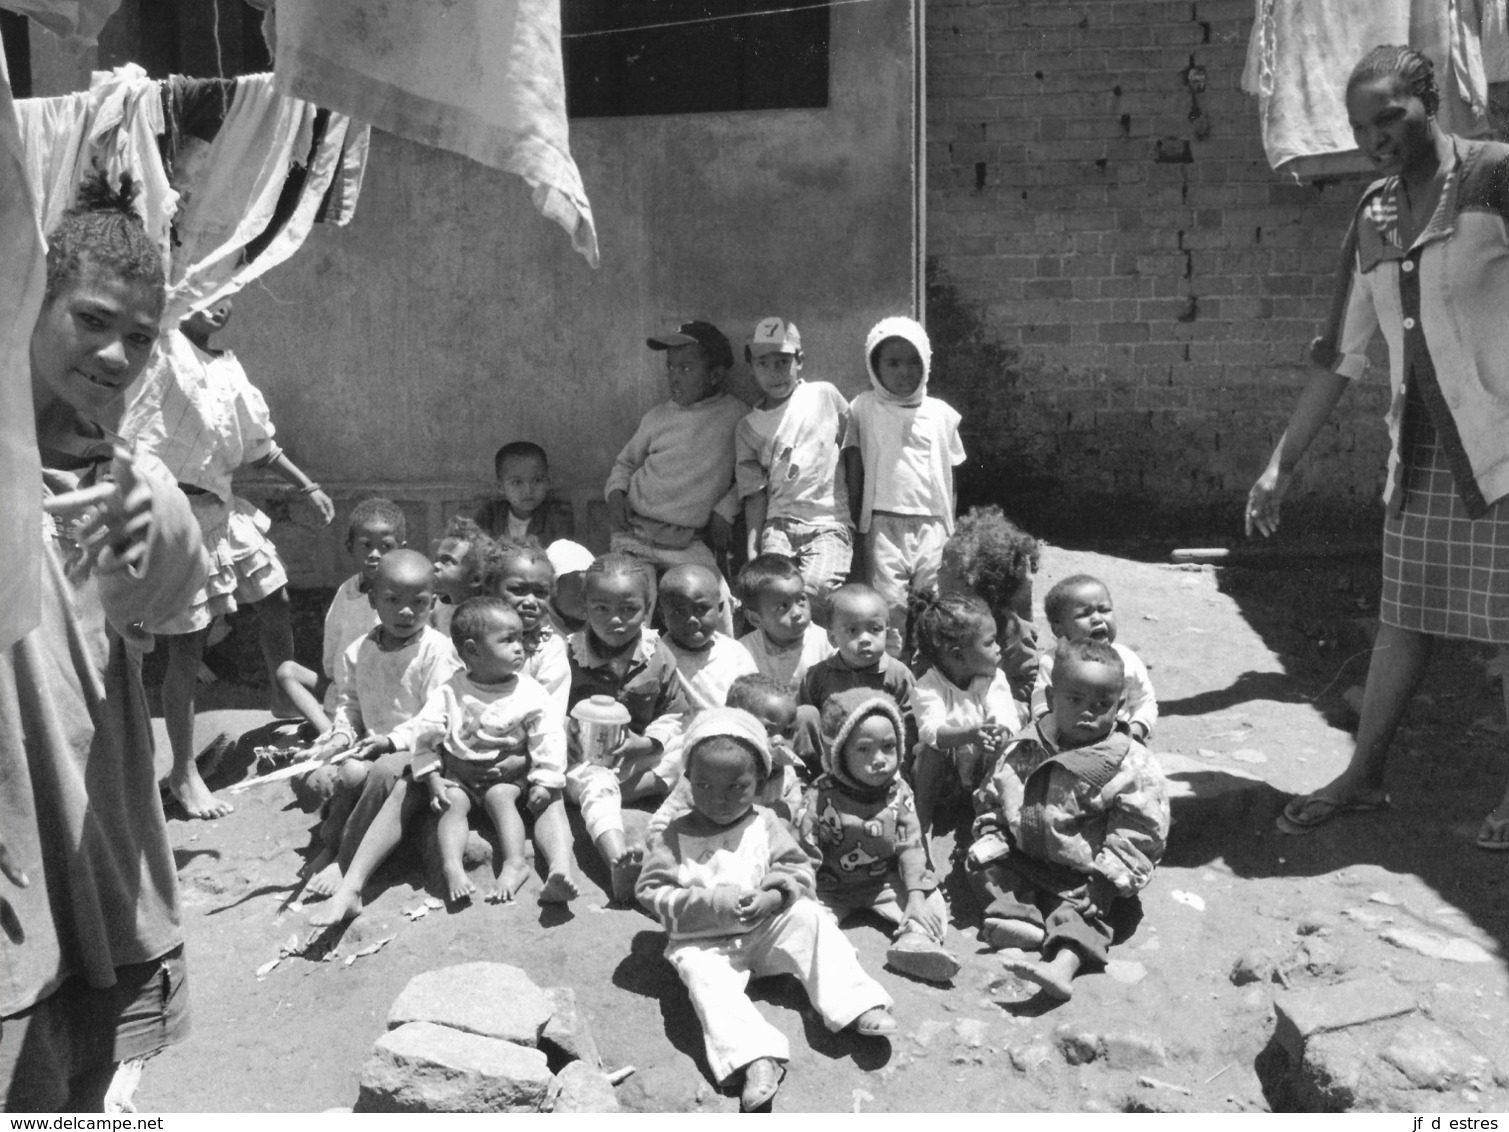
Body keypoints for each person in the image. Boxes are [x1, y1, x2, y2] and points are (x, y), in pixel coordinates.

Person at [1247, 45, 1509, 850]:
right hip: (1427, 449)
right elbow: (1340, 353)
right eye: (1361, 124)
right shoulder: (1374, 214)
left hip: (1502, 444)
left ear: (1430, 102)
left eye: (1389, 116)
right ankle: (1362, 776)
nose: (1375, 136)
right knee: (1404, 616)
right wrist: (1279, 464)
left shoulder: (1495, 176)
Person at [2, 177, 208, 1110]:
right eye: (91, 319)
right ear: (29, 302)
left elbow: (167, 602)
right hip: (16, 868)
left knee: (86, 1103)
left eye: (140, 336)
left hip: (100, 848)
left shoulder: (124, 481)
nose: (117, 353)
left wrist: (145, 506)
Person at [124, 298, 335, 819]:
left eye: (231, 294)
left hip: (221, 509)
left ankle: (283, 695)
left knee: (275, 595)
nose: (221, 305)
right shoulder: (163, 349)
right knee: (188, 645)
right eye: (208, 291)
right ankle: (183, 770)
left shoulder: (227, 366)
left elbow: (260, 444)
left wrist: (308, 486)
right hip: (172, 515)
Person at [636, 708, 897, 1112]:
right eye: (704, 785)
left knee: (811, 918)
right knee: (703, 978)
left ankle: (854, 1002)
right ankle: (756, 1057)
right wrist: (714, 904)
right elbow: (652, 891)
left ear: (758, 782)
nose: (719, 798)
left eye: (736, 786)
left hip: (766, 930)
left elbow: (798, 868)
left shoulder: (766, 823)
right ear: (688, 782)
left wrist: (775, 896)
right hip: (708, 944)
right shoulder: (676, 835)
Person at [308, 598, 575, 924]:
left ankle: (522, 866)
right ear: (473, 652)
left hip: (506, 780)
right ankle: (360, 887)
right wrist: (433, 776)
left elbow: (548, 737)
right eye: (508, 641)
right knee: (436, 799)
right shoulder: (451, 691)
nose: (520, 648)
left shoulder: (529, 691)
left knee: (505, 797)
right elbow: (426, 735)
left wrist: (544, 779)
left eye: (520, 639)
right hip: (458, 778)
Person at [967, 639, 1169, 1001]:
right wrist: (993, 829)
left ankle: (1064, 964)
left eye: (1101, 705)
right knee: (987, 867)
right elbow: (998, 789)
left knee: (1088, 916)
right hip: (1026, 858)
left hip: (1084, 877)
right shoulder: (1026, 743)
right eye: (1075, 700)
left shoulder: (1128, 764)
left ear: (1120, 706)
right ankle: (1019, 920)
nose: (1088, 713)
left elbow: (1140, 829)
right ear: (1052, 696)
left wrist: (1108, 878)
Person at [301, 550, 461, 896]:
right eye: (393, 600)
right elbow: (350, 702)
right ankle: (332, 842)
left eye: (418, 602)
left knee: (381, 771)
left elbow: (438, 715)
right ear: (374, 599)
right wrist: (342, 732)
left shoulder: (437, 651)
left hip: (423, 752)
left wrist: (391, 742)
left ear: (433, 603)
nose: (406, 611)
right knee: (350, 773)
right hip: (375, 744)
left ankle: (345, 859)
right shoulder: (360, 649)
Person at [795, 690, 961, 984]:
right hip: (830, 887)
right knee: (802, 916)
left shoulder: (899, 792)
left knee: (930, 901)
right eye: (863, 750)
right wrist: (805, 892)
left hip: (884, 882)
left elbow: (911, 846)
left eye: (888, 746)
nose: (879, 760)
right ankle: (832, 955)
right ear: (839, 755)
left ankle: (915, 942)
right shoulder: (820, 794)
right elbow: (806, 848)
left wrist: (915, 897)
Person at [565, 553, 691, 901]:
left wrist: (648, 743)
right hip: (584, 764)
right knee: (599, 785)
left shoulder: (657, 654)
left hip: (637, 756)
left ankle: (644, 788)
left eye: (629, 609)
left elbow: (675, 713)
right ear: (585, 608)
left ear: (648, 609)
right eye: (601, 609)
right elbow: (545, 710)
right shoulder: (568, 655)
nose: (615, 620)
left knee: (697, 746)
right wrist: (568, 735)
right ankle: (617, 859)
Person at [842, 316, 965, 655]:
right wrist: (854, 521)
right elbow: (855, 464)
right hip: (883, 522)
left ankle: (931, 664)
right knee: (890, 602)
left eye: (913, 362)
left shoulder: (941, 414)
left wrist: (949, 525)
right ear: (875, 367)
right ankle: (893, 666)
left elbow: (950, 475)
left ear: (926, 363)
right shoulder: (864, 407)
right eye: (892, 363)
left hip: (932, 523)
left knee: (934, 599)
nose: (904, 371)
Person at [606, 321, 745, 605]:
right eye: (670, 367)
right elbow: (626, 464)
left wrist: (725, 510)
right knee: (630, 599)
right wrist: (616, 494)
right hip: (635, 534)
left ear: (716, 374)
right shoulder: (657, 417)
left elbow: (750, 473)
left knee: (717, 602)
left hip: (687, 542)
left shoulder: (737, 418)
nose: (674, 377)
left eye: (685, 369)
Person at [734, 317, 852, 623]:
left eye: (783, 361)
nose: (774, 372)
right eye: (763, 363)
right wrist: (753, 548)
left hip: (828, 522)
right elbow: (754, 493)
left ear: (800, 360)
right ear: (751, 367)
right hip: (779, 525)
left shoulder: (824, 395)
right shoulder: (748, 427)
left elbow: (853, 451)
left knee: (813, 591)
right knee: (774, 595)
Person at [275, 497, 404, 735]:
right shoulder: (346, 591)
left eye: (386, 546)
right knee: (287, 671)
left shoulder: (404, 597)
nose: (375, 554)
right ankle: (329, 731)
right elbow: (332, 640)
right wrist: (335, 678)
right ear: (350, 546)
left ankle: (339, 733)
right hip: (344, 687)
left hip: (385, 695)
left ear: (401, 547)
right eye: (366, 545)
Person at [909, 591, 1021, 857]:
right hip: (945, 783)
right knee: (930, 752)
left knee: (1012, 740)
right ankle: (921, 823)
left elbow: (1005, 716)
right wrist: (971, 734)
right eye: (990, 642)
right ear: (958, 656)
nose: (999, 649)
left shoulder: (993, 679)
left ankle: (992, 818)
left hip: (982, 777)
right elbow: (932, 731)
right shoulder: (928, 686)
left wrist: (999, 734)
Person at [647, 673, 806, 837]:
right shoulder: (707, 771)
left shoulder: (787, 776)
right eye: (767, 729)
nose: (780, 740)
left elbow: (791, 818)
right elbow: (662, 822)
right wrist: (663, 845)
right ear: (734, 723)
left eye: (788, 731)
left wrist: (781, 817)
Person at [796, 584, 916, 774]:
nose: (865, 639)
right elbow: (803, 727)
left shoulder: (897, 674)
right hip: (830, 762)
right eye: (853, 630)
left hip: (881, 761)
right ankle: (811, 779)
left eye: (875, 629)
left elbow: (911, 726)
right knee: (804, 713)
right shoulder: (817, 676)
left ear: (887, 631)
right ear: (833, 638)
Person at [934, 505, 1043, 705]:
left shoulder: (1007, 627)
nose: (937, 574)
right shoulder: (941, 618)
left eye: (944, 568)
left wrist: (1006, 703)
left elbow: (1027, 679)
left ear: (970, 582)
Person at [1030, 574, 1157, 743]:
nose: (1097, 618)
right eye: (1084, 614)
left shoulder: (1127, 659)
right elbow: (1041, 706)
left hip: (1120, 744)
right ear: (1059, 629)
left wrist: (1134, 733)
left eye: (1104, 610)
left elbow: (1144, 702)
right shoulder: (1053, 662)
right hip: (1066, 743)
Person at [658, 563, 758, 712]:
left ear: (720, 609)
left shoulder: (734, 652)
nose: (691, 619)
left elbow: (755, 699)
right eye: (679, 612)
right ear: (662, 616)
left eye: (701, 609)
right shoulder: (659, 658)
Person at [489, 538, 570, 718]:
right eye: (518, 590)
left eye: (540, 593)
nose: (530, 602)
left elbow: (550, 713)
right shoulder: (470, 642)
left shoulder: (549, 649)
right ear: (491, 589)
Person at [737, 553, 835, 696]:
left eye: (801, 599)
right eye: (783, 606)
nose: (797, 613)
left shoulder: (827, 643)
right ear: (755, 619)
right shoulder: (744, 652)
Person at [474, 440, 574, 545]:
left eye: (537, 480)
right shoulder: (489, 516)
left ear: (548, 482)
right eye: (517, 482)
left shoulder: (557, 518)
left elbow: (562, 555)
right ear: (501, 487)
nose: (528, 490)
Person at [429, 516, 497, 638]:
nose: (435, 566)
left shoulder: (487, 618)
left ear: (475, 579)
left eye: (446, 561)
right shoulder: (438, 607)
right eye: (436, 560)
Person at [544, 539, 593, 637]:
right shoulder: (536, 634)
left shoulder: (602, 632)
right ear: (552, 588)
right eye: (580, 594)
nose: (589, 600)